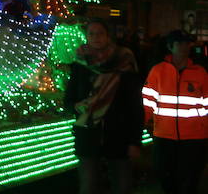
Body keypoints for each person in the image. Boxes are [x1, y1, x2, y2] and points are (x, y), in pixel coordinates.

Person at [65, 18, 142, 194]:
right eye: (91, 33)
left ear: (108, 36)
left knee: (122, 185)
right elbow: (69, 98)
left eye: (100, 33)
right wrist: (77, 106)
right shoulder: (80, 62)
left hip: (118, 134)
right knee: (89, 185)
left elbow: (134, 104)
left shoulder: (124, 60)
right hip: (88, 134)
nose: (95, 37)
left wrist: (134, 140)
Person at [142, 30, 208, 194]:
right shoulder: (158, 71)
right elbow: (147, 102)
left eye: (187, 43)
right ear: (170, 47)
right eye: (179, 43)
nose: (184, 47)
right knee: (166, 177)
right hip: (164, 136)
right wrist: (142, 125)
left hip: (194, 137)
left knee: (190, 178)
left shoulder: (200, 73)